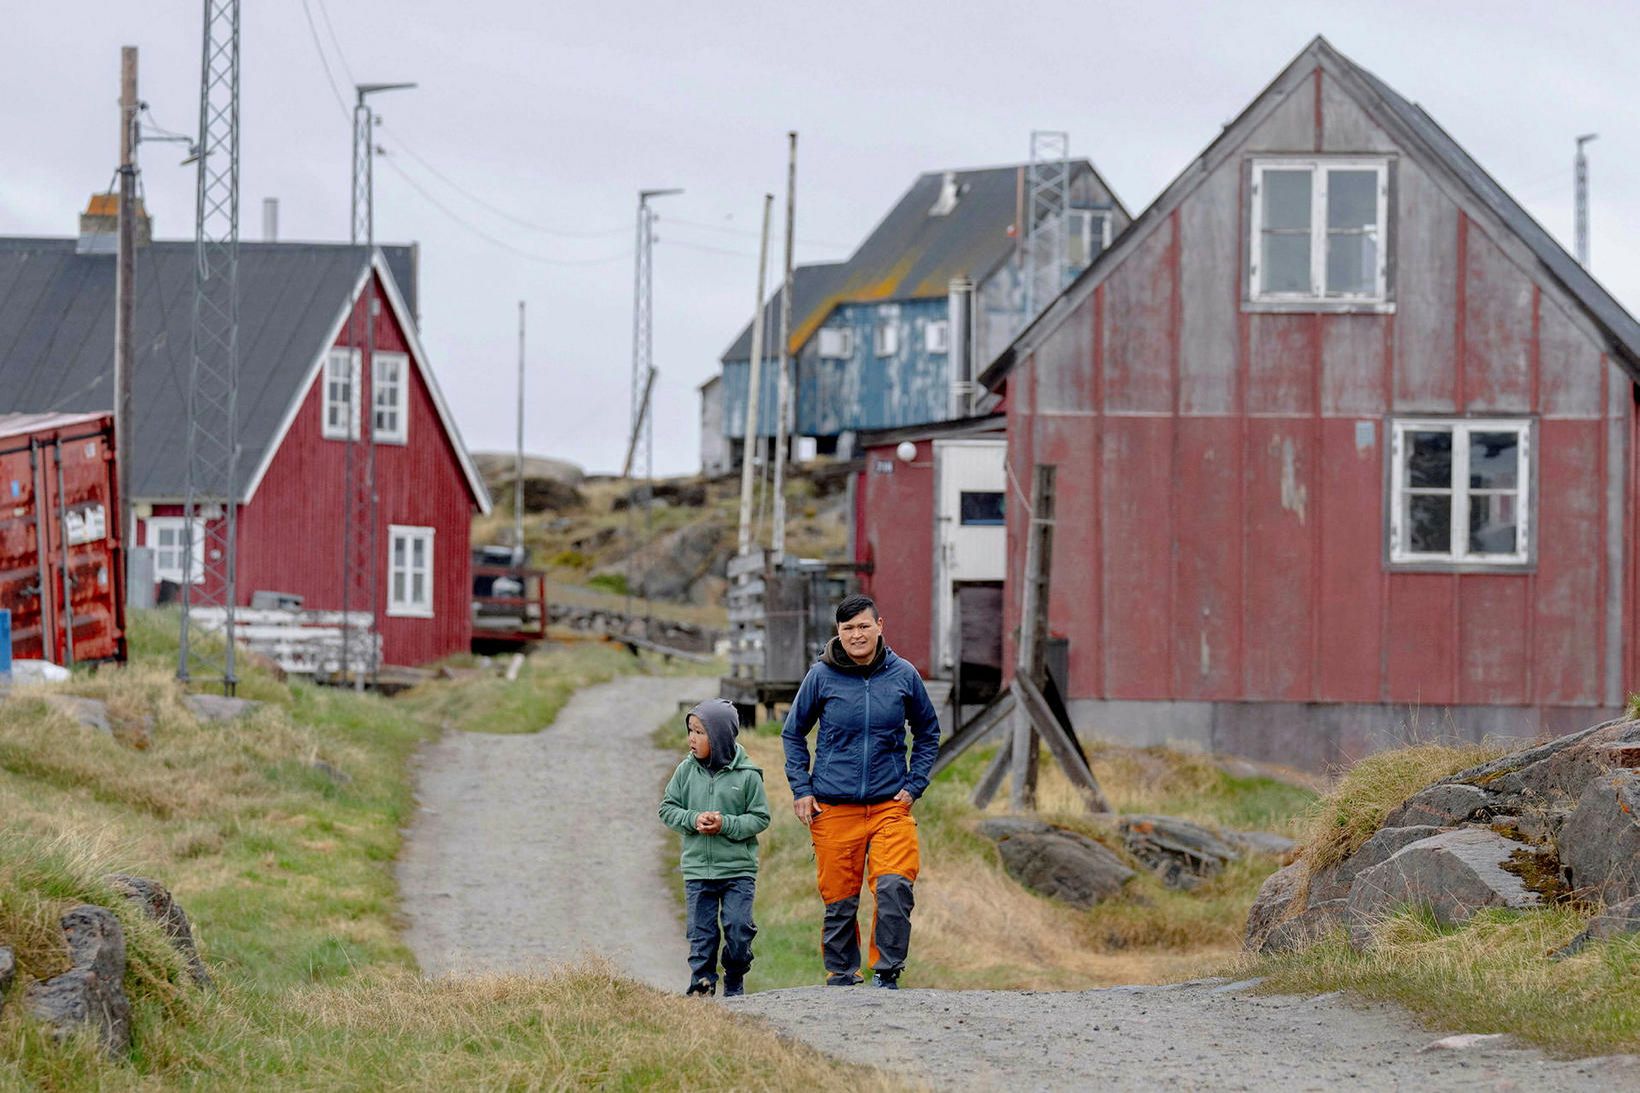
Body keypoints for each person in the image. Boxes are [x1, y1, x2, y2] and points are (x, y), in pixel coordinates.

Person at [781, 593, 941, 989]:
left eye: (863, 626)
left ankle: (886, 970)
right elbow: (793, 733)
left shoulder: (903, 675)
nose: (856, 635)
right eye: (848, 628)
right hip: (834, 805)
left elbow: (928, 733)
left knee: (894, 885)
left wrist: (914, 785)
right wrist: (802, 789)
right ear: (838, 632)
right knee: (839, 898)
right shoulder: (820, 676)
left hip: (890, 805)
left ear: (880, 626)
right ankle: (842, 972)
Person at [658, 698, 771, 998]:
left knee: (738, 929)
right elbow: (667, 809)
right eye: (690, 731)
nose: (691, 739)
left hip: (737, 870)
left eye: (699, 732)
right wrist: (693, 819)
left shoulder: (748, 775)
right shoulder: (685, 771)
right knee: (701, 935)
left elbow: (760, 818)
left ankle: (734, 975)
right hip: (698, 871)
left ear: (720, 736)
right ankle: (702, 985)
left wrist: (727, 824)